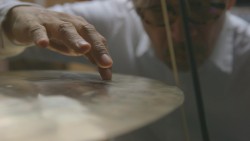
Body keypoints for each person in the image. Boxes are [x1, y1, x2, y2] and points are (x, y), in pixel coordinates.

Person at [1, 0, 250, 141]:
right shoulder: (112, 19)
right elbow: (19, 24)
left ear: (228, 4)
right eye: (157, 12)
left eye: (199, 9)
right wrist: (13, 14)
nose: (179, 35)